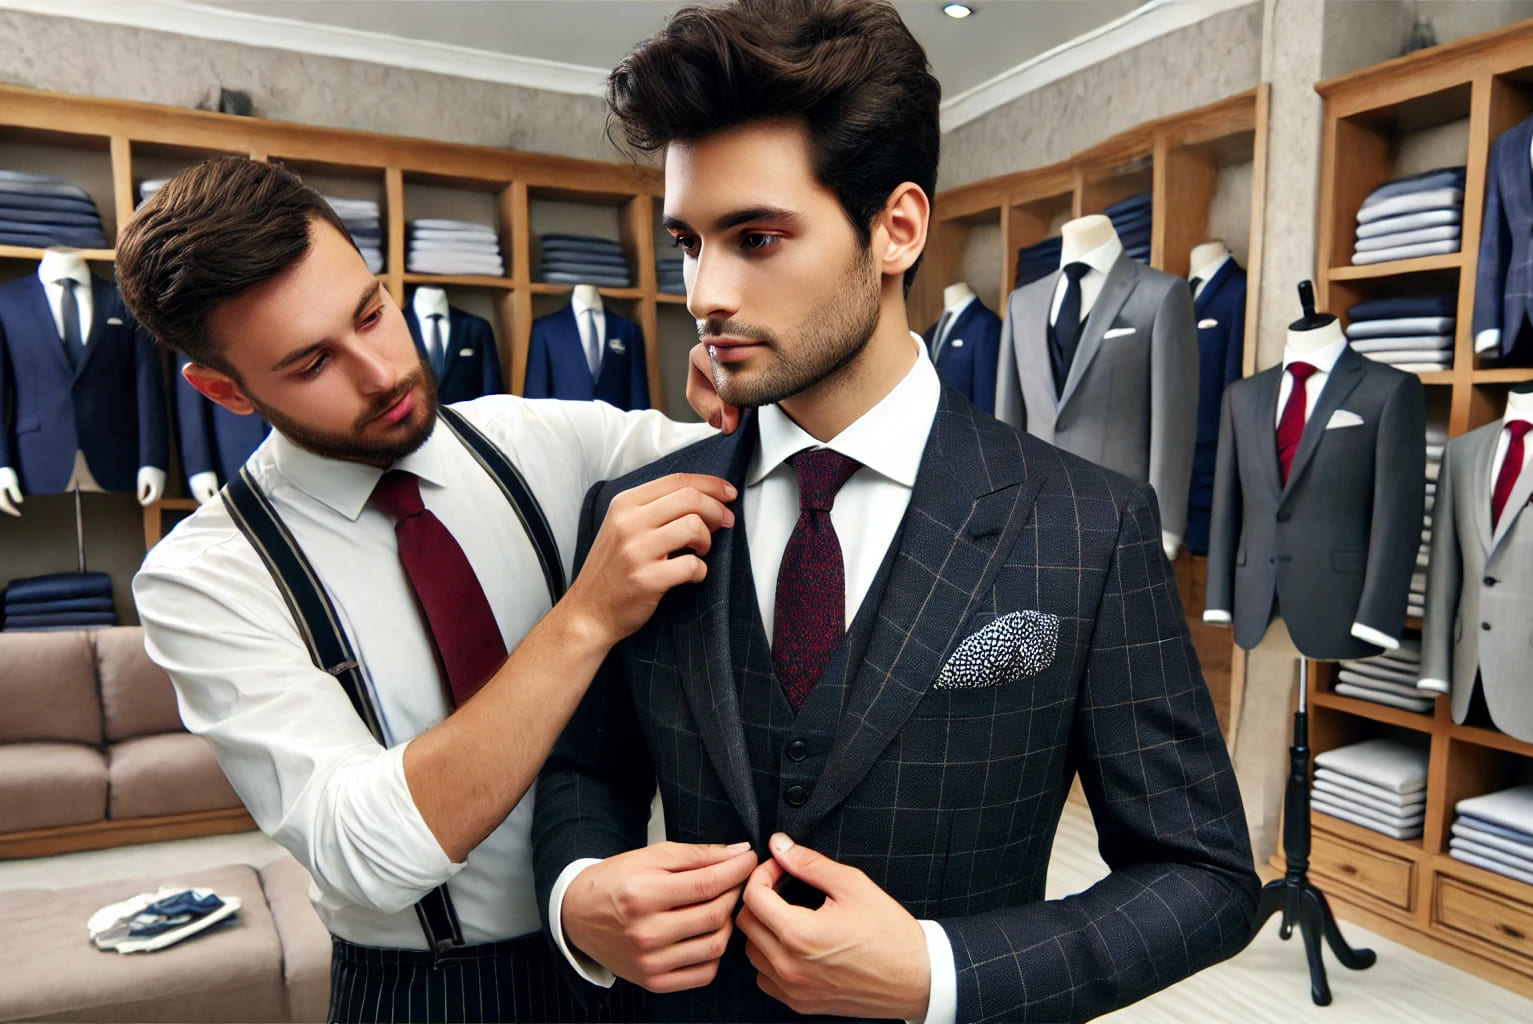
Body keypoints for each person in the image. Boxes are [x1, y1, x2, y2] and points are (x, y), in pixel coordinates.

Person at [532, 2, 1260, 1022]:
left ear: (897, 227)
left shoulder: (1087, 526)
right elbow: (582, 770)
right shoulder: (634, 511)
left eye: (755, 237)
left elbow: (1204, 876)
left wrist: (939, 971)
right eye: (689, 243)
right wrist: (580, 895)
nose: (704, 292)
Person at [122, 157, 749, 1023]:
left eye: (373, 313)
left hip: (633, 957)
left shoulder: (537, 439)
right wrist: (585, 618)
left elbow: (762, 464)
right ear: (225, 390)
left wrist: (747, 386)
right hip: (428, 994)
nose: (380, 372)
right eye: (311, 363)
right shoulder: (205, 578)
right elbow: (363, 849)